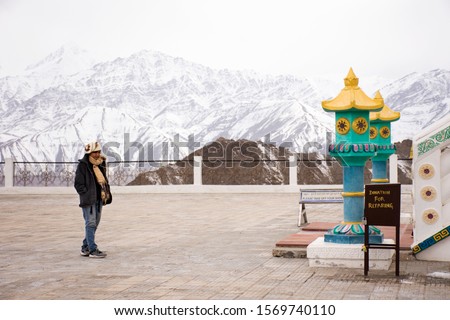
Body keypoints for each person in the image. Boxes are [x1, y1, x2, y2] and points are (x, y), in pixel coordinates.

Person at [74, 141, 109, 258]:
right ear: (89, 153)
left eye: (98, 152)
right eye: (94, 152)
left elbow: (104, 179)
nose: (97, 154)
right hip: (89, 199)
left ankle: (85, 247)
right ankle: (93, 249)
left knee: (95, 223)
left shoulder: (100, 164)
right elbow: (78, 184)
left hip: (99, 198)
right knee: (90, 223)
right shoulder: (83, 165)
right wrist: (85, 193)